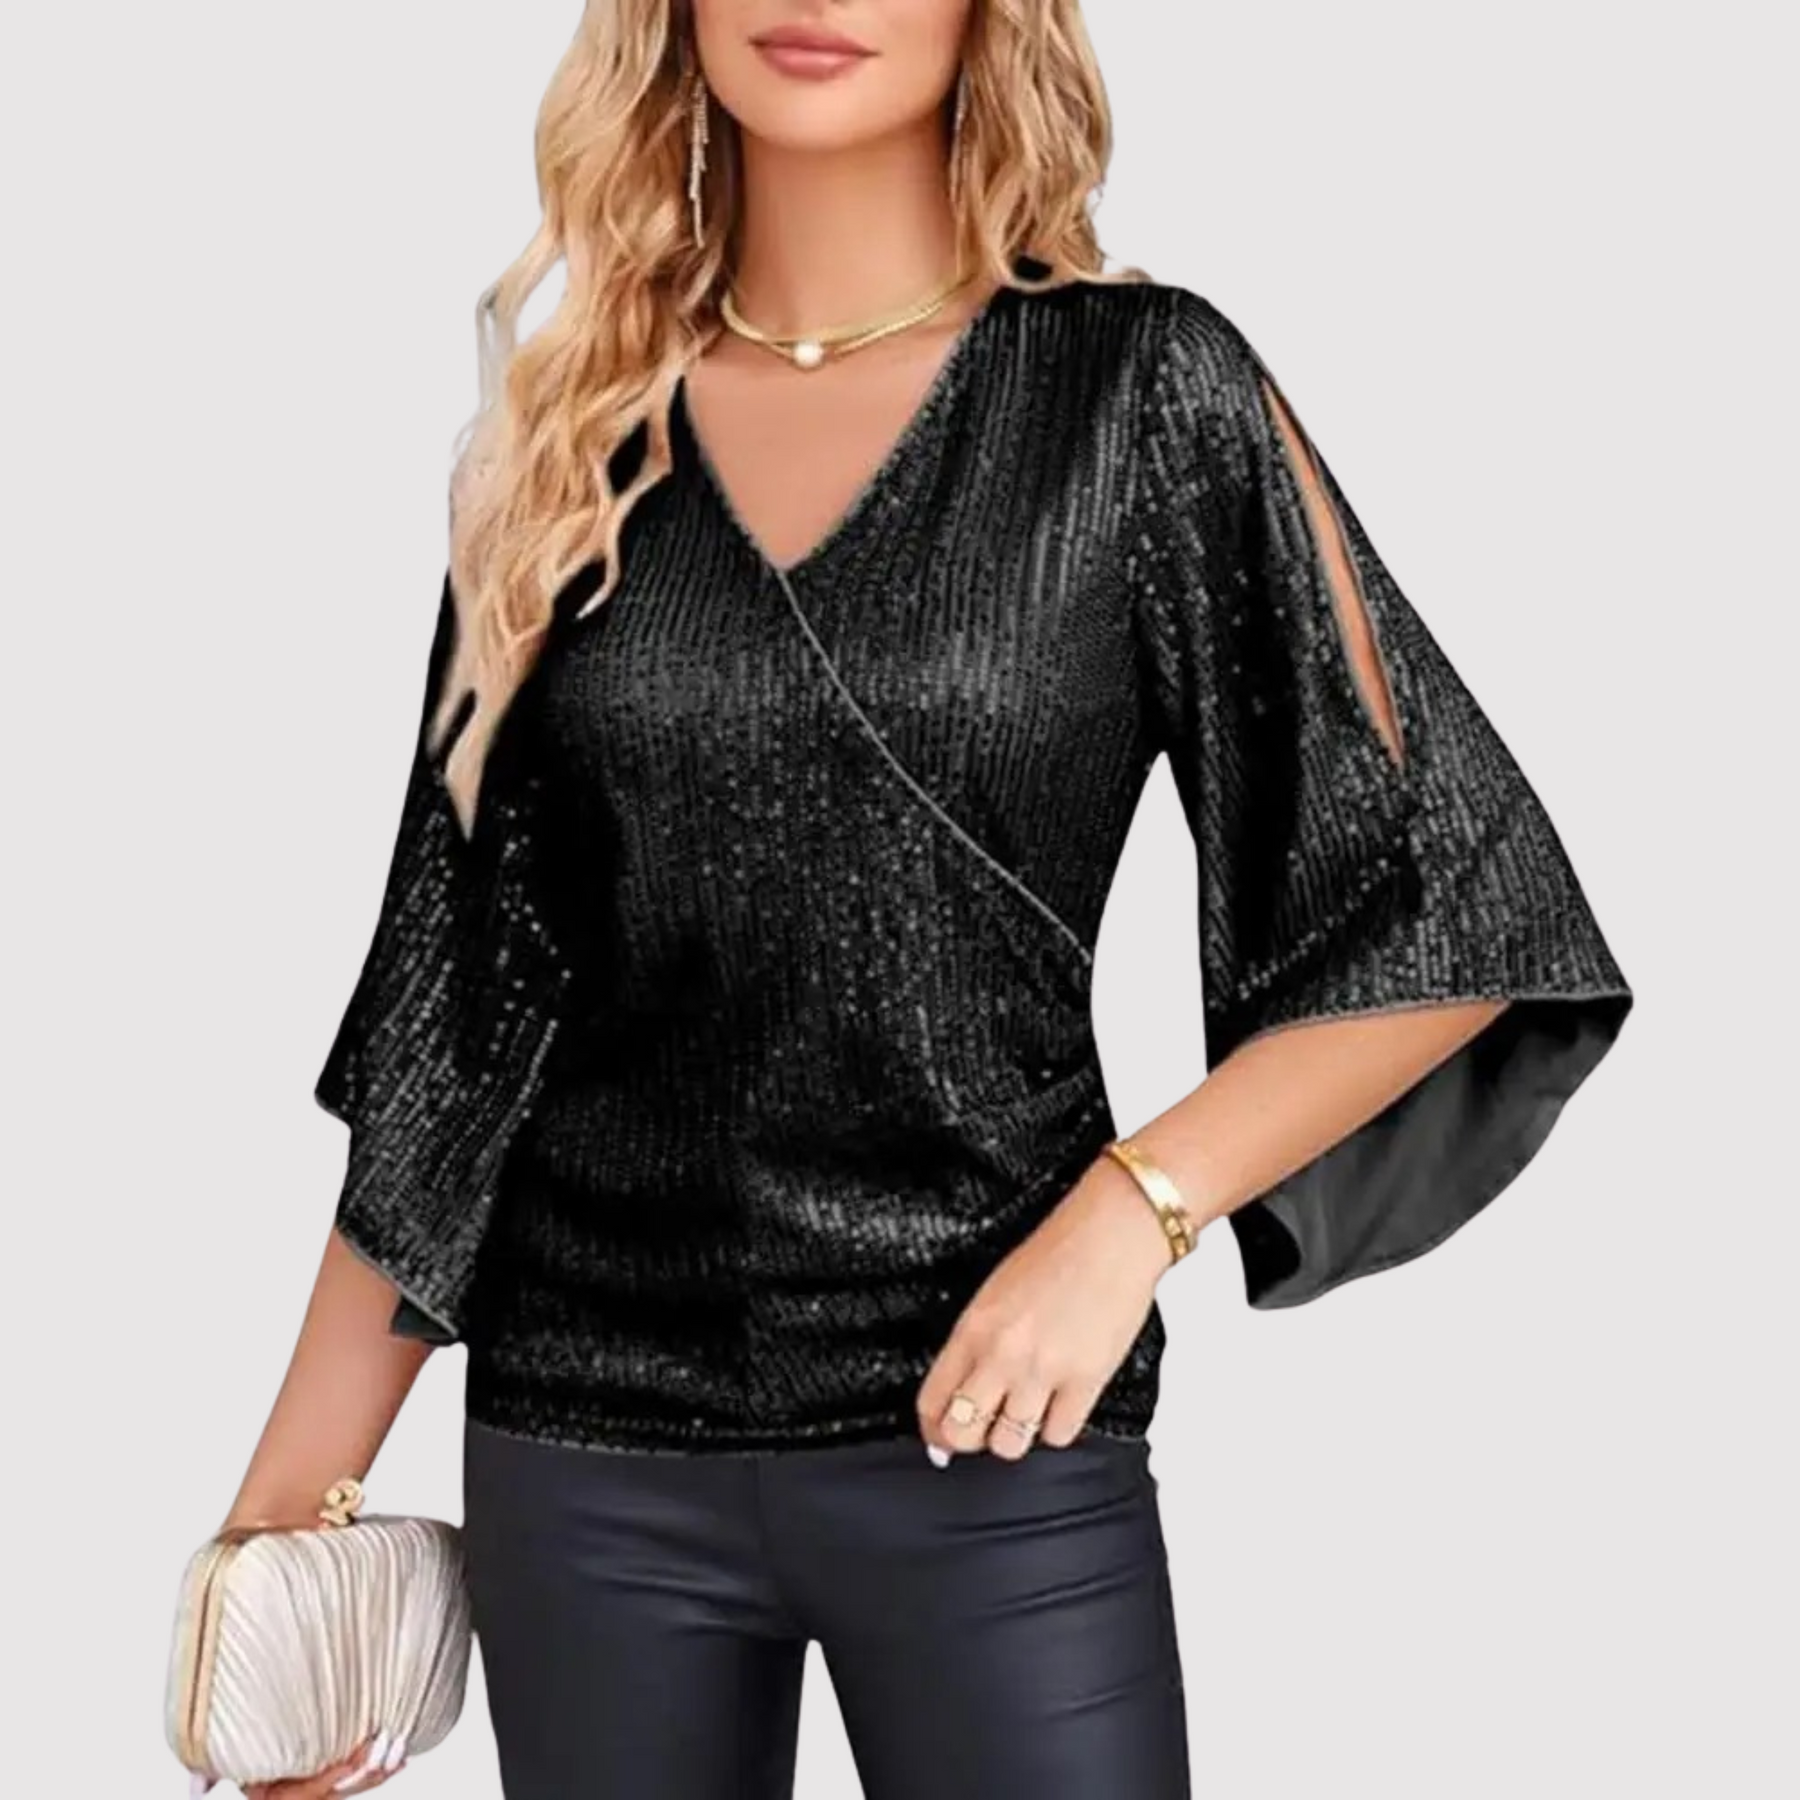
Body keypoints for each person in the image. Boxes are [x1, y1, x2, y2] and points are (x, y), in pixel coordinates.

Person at [214, 3, 1634, 1797]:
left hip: (997, 1440)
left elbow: (1450, 902)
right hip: (587, 1458)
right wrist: (286, 1515)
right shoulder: (572, 437)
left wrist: (1134, 1215)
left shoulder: (1142, 392)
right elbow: (454, 1014)